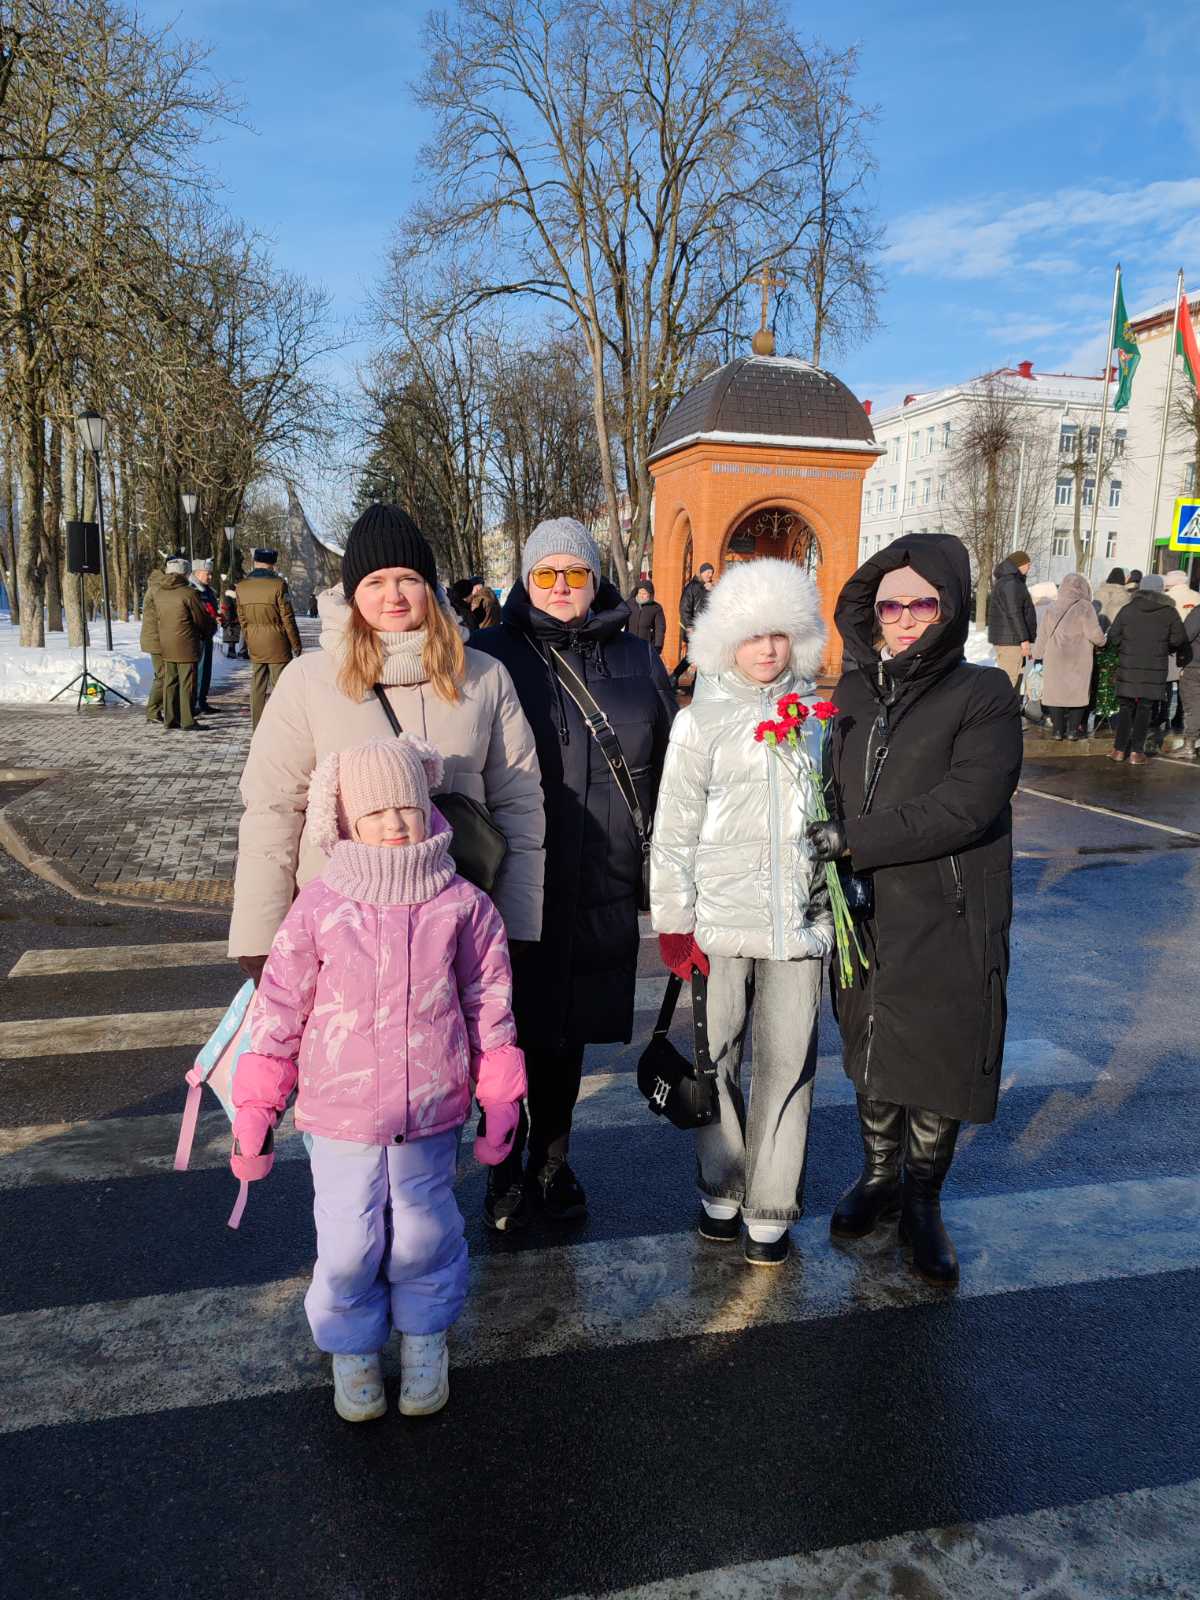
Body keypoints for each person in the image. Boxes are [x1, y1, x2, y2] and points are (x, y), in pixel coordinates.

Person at [229, 736, 527, 1421]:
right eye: (374, 812)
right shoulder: (320, 906)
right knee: (348, 1239)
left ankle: (425, 1341)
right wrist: (257, 1104)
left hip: (430, 1108)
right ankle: (353, 1350)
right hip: (341, 1115)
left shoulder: (462, 905)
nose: (394, 822)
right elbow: (280, 1008)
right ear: (346, 821)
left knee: (425, 1234)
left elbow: (489, 1002)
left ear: (427, 807)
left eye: (406, 807)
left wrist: (500, 1092)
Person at [809, 534, 1022, 1289]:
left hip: (948, 905)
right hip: (867, 907)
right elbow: (828, 784)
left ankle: (923, 1198)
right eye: (890, 605)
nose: (903, 619)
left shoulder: (983, 694)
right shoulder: (854, 692)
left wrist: (852, 839)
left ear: (950, 608)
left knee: (937, 1053)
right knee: (871, 1039)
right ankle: (878, 1175)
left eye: (921, 604)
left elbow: (967, 805)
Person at [228, 503, 545, 991]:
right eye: (375, 581)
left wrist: (518, 916)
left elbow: (519, 802)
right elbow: (273, 807)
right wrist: (261, 933)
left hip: (456, 936)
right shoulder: (309, 680)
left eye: (408, 579)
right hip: (338, 940)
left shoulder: (484, 677)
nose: (393, 596)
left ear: (429, 588)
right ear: (353, 594)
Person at [471, 517, 675, 1228]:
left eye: (576, 573)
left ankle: (551, 1161)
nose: (561, 586)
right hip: (511, 877)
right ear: (526, 580)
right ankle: (502, 1163)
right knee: (502, 1026)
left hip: (600, 874)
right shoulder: (488, 656)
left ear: (596, 580)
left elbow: (673, 765)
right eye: (546, 574)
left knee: (567, 1030)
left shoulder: (637, 658)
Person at [650, 559, 833, 1266]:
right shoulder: (699, 724)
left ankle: (770, 1209)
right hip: (718, 926)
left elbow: (832, 816)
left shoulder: (816, 721)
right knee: (717, 1057)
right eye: (753, 636)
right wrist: (674, 921)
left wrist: (830, 901)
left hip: (796, 928)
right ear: (727, 640)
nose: (767, 649)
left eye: (780, 635)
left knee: (788, 1067)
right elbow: (674, 830)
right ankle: (721, 1188)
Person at [1105, 574, 1191, 765]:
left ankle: (1119, 750)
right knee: (1145, 708)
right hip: (1155, 667)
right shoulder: (1169, 612)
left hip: (1128, 666)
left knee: (1126, 707)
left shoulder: (1128, 609)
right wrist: (1165, 648)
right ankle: (1137, 753)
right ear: (1161, 590)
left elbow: (1113, 636)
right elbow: (1178, 639)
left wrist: (1124, 648)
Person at [1032, 573, 1106, 740]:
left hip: (1055, 658)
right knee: (1077, 695)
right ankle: (1072, 731)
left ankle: (1057, 731)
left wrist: (1037, 654)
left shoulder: (1052, 606)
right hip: (1078, 659)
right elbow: (1095, 634)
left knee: (1055, 694)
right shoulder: (1086, 607)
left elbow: (1043, 634)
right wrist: (1103, 642)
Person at [235, 548, 303, 730]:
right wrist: (296, 644)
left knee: (257, 684)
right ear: (272, 564)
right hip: (277, 642)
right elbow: (287, 618)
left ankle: (257, 726)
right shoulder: (279, 585)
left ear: (255, 562)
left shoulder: (241, 586)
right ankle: (282, 727)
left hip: (255, 641)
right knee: (281, 686)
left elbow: (242, 618)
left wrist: (249, 638)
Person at [156, 557, 216, 732]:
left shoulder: (160, 593)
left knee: (170, 682)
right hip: (186, 644)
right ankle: (187, 720)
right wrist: (209, 629)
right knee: (187, 683)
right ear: (185, 573)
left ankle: (170, 718)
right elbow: (201, 618)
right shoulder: (189, 593)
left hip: (166, 643)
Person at [987, 550, 1037, 689]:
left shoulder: (1009, 581)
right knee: (1009, 682)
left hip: (1011, 638)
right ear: (1020, 564)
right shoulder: (1011, 583)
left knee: (1015, 678)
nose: (1029, 567)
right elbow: (1014, 613)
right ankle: (1002, 704)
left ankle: (1012, 703)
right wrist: (1024, 640)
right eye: (1028, 564)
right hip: (1011, 641)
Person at [1163, 570, 1200, 746]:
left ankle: (1189, 743)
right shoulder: (1196, 597)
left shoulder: (1167, 599)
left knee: (1191, 700)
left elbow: (1186, 634)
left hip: (1190, 658)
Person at [669, 561, 716, 689]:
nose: (710, 575)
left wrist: (713, 590)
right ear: (701, 572)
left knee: (700, 655)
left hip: (706, 628)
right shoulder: (692, 587)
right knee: (694, 655)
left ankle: (693, 683)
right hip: (694, 628)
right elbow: (684, 608)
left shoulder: (709, 588)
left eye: (711, 572)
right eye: (707, 572)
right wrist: (689, 626)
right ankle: (676, 676)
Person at [189, 559, 220, 715]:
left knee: (206, 671)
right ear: (197, 573)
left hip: (207, 634)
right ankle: (195, 702)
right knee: (198, 671)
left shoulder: (207, 590)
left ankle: (202, 700)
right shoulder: (192, 590)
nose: (210, 577)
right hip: (198, 635)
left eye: (211, 574)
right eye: (207, 574)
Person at [139, 566, 167, 725]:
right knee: (163, 675)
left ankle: (162, 708)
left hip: (160, 638)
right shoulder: (157, 588)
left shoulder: (159, 586)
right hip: (156, 639)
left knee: (165, 675)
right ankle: (152, 711)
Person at [628, 580, 666, 654]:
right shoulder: (629, 604)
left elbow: (660, 629)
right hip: (629, 644)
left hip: (647, 647)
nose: (641, 595)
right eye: (639, 593)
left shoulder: (656, 608)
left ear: (650, 594)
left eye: (644, 593)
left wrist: (658, 646)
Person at [219, 589, 241, 658]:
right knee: (231, 636)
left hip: (230, 621)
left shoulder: (228, 598)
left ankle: (231, 652)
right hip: (231, 622)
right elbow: (227, 611)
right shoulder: (230, 599)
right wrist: (229, 621)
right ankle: (231, 653)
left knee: (232, 637)